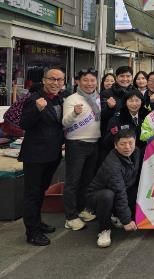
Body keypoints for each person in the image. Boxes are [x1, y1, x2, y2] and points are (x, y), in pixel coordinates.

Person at [19, 67, 66, 246]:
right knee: (32, 193)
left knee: (41, 191)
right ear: (44, 80)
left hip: (52, 154)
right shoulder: (34, 99)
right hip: (35, 155)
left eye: (59, 80)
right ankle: (32, 232)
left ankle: (37, 222)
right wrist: (37, 110)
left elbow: (58, 125)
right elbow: (24, 124)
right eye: (52, 79)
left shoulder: (61, 99)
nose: (55, 83)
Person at [62, 68, 101, 231]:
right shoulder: (72, 99)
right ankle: (70, 216)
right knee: (73, 181)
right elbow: (65, 123)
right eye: (85, 80)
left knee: (87, 180)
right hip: (76, 144)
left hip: (94, 143)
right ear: (78, 81)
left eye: (92, 80)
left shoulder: (98, 98)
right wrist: (74, 114)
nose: (89, 83)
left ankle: (83, 209)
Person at [85, 130, 139, 248]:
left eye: (130, 143)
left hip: (119, 191)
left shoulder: (136, 152)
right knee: (107, 195)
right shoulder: (112, 164)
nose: (127, 147)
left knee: (137, 191)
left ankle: (115, 215)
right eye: (122, 144)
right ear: (115, 145)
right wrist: (126, 220)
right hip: (97, 196)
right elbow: (119, 191)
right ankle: (104, 229)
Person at [100, 66, 134, 138]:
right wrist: (109, 108)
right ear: (116, 78)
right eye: (122, 76)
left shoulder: (136, 93)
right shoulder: (106, 93)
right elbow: (101, 117)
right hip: (111, 136)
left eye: (128, 76)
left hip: (131, 136)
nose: (125, 79)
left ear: (132, 77)